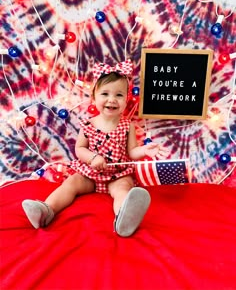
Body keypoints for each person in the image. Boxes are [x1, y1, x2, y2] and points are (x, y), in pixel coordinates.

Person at [22, 60, 162, 237]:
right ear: (94, 97)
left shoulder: (128, 126)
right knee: (71, 183)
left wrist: (144, 151)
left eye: (119, 95)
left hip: (117, 174)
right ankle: (46, 210)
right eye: (105, 93)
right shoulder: (88, 124)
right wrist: (92, 158)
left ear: (126, 99)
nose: (112, 99)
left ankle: (124, 218)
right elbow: (79, 149)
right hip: (90, 174)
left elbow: (132, 152)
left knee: (123, 189)